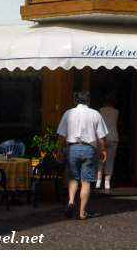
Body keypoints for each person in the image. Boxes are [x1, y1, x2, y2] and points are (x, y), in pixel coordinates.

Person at [57, 90, 108, 220]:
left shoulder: (68, 113)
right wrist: (103, 150)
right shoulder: (95, 114)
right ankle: (82, 212)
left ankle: (71, 201)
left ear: (75, 101)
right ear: (88, 100)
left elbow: (61, 136)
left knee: (73, 178)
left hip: (72, 148)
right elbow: (101, 137)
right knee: (86, 182)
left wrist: (59, 150)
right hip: (88, 149)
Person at [96, 95, 119, 191]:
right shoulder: (116, 112)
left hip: (102, 137)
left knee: (101, 159)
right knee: (110, 160)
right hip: (113, 136)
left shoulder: (100, 111)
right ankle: (107, 182)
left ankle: (98, 181)